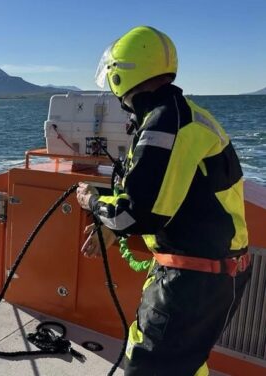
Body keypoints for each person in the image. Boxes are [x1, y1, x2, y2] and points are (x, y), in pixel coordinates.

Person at [76, 26, 251, 375]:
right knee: (186, 363)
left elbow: (137, 214)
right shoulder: (181, 114)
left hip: (191, 283)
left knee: (149, 363)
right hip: (213, 274)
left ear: (119, 75)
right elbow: (167, 194)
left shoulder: (164, 124)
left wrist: (93, 203)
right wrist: (115, 229)